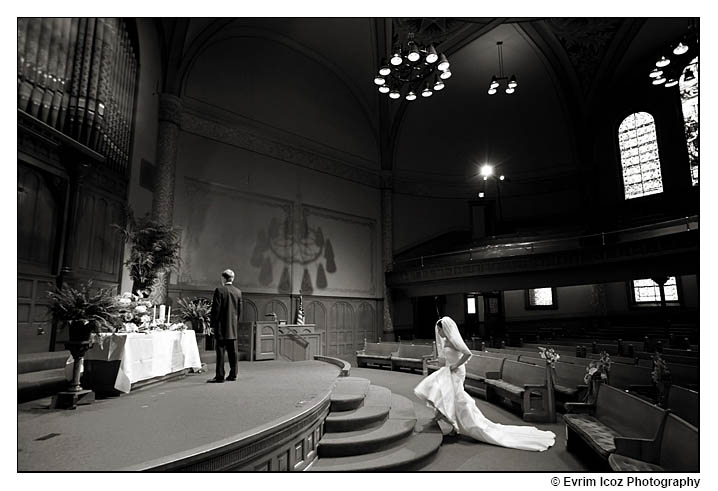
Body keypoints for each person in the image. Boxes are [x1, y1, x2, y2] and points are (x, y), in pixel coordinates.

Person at [414, 316, 556, 451]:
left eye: (439, 330)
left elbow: (467, 353)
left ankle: (452, 423)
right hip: (449, 371)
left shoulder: (453, 340)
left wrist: (455, 366)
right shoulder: (445, 341)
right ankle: (449, 423)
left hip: (456, 372)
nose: (438, 332)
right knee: (446, 395)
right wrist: (443, 366)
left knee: (455, 397)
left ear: (445, 329)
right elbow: (446, 358)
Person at [207, 269, 242, 383]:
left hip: (221, 327)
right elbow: (240, 311)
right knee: (233, 352)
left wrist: (212, 325)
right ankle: (233, 374)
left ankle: (220, 376)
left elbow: (216, 310)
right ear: (233, 278)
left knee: (220, 352)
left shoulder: (219, 290)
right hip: (232, 327)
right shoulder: (238, 292)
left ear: (223, 278)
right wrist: (235, 323)